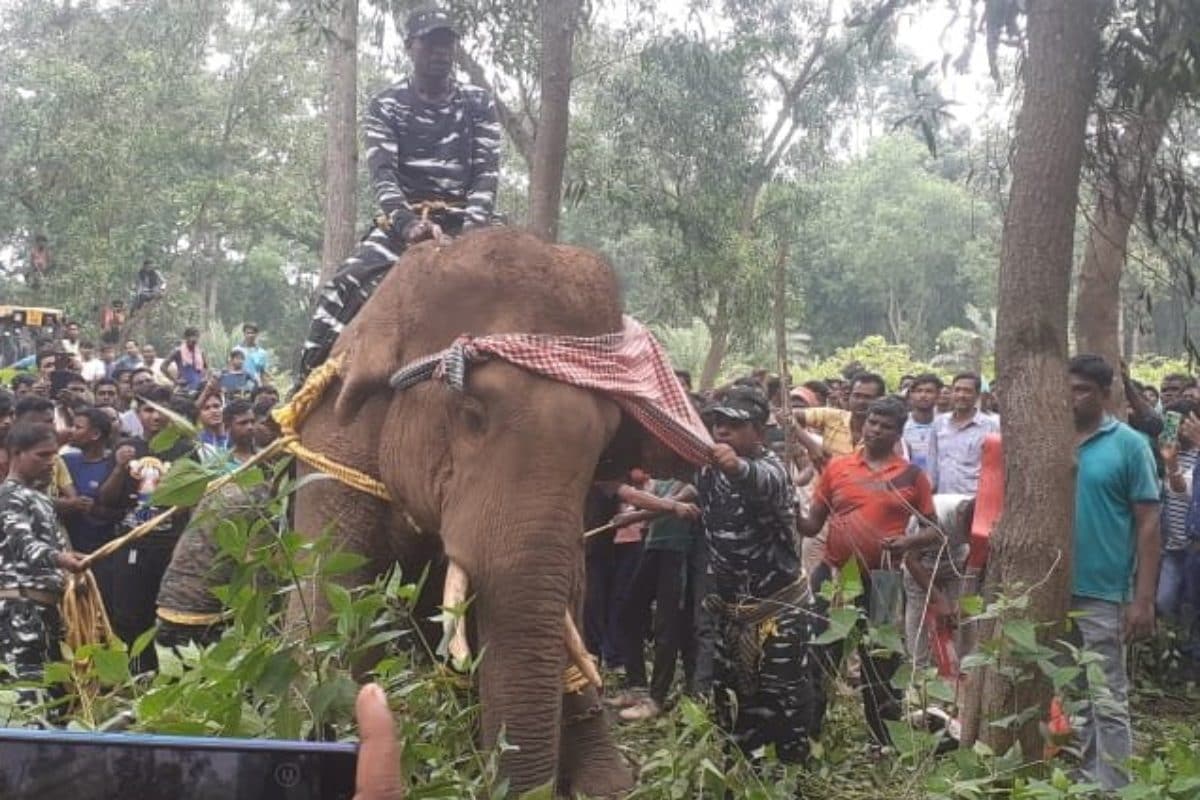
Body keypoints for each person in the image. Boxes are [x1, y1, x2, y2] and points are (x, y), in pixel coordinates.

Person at [295, 5, 501, 385]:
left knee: (531, 277)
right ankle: (304, 387)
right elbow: (384, 175)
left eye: (447, 43)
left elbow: (486, 172)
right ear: (410, 47)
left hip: (470, 222)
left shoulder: (478, 102)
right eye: (431, 43)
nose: (441, 52)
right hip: (406, 223)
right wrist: (407, 225)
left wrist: (472, 232)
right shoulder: (386, 104)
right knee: (342, 287)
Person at [798, 396, 938, 750]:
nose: (875, 430)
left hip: (884, 580)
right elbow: (812, 525)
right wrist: (787, 509)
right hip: (836, 577)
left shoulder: (911, 475)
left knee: (882, 660)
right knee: (822, 655)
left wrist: (907, 542)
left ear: (898, 434)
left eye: (885, 426)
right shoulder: (838, 467)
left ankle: (884, 742)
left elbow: (934, 530)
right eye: (872, 422)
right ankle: (808, 737)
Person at [695, 385, 822, 764]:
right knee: (732, 695)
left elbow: (751, 476)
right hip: (732, 609)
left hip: (779, 608)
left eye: (735, 425)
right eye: (718, 423)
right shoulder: (707, 469)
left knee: (783, 697)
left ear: (760, 432)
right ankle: (741, 768)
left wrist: (733, 465)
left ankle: (791, 774)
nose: (723, 431)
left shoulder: (772, 470)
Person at [1069, 354, 1160, 790]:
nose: (1072, 398)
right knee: (1072, 694)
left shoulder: (1129, 445)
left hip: (1104, 591)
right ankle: (1085, 780)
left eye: (1082, 390)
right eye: (1067, 389)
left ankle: (1114, 788)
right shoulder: (1049, 440)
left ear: (1105, 394)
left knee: (1106, 697)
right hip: (1053, 589)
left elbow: (1148, 522)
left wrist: (1143, 598)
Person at [99, 385, 196, 672]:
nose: (155, 416)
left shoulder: (186, 450)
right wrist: (119, 467)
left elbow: (195, 500)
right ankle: (137, 675)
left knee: (170, 614)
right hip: (131, 545)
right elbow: (105, 499)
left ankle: (172, 676)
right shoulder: (125, 447)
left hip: (171, 546)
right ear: (138, 413)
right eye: (148, 410)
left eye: (161, 410)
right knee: (129, 615)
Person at [0, 421, 85, 692]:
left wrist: (73, 559)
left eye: (54, 454)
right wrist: (62, 560)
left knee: (53, 693)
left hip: (46, 610)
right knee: (26, 692)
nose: (51, 462)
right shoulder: (8, 496)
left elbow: (52, 547)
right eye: (42, 455)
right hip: (20, 611)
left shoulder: (40, 498)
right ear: (16, 453)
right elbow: (23, 545)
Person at [607, 477, 701, 721]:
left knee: (666, 626)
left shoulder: (693, 475)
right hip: (653, 547)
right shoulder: (661, 482)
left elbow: (676, 502)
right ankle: (637, 686)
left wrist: (633, 517)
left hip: (678, 551)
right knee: (629, 614)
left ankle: (656, 698)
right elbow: (660, 507)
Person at [1157, 400, 1199, 627]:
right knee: (1164, 602)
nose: (1179, 429)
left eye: (1184, 423)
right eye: (1172, 423)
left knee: (1190, 606)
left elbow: (1185, 491)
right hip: (1172, 546)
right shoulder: (1166, 453)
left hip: (1193, 546)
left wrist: (1172, 465)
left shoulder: (1195, 455)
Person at [931, 372, 999, 495]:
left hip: (975, 498)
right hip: (943, 498)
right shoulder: (939, 423)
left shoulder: (990, 426)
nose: (961, 395)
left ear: (977, 395)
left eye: (967, 391)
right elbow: (932, 462)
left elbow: (995, 468)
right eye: (957, 390)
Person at [904, 373, 942, 485]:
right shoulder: (901, 423)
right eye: (919, 391)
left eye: (929, 391)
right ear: (911, 395)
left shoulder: (945, 425)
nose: (923, 395)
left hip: (940, 487)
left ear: (938, 395)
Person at [163, 326, 207, 392]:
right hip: (183, 387)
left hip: (199, 386)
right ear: (186, 337)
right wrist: (175, 380)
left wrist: (204, 378)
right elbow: (163, 367)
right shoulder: (178, 351)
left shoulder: (200, 352)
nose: (194, 339)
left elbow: (206, 367)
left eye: (196, 337)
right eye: (191, 336)